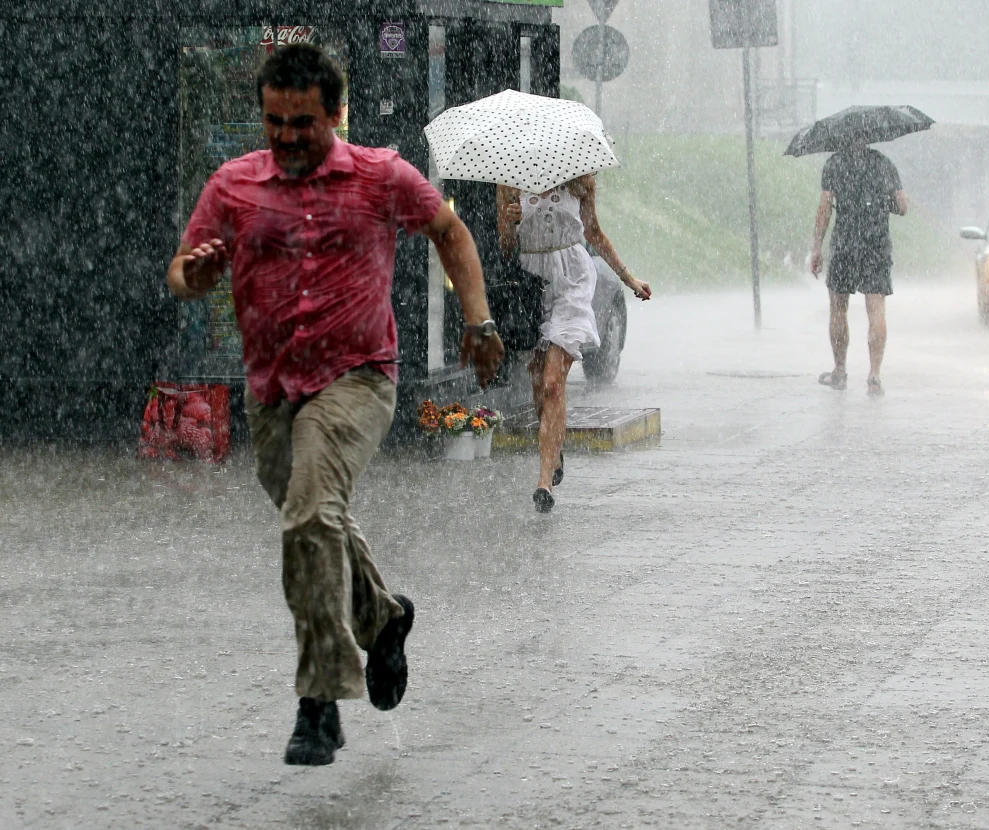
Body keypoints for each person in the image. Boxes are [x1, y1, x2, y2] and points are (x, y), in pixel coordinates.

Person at [165, 44, 504, 766]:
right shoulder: (232, 185)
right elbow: (187, 268)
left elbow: (449, 231)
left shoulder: (380, 175)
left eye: (303, 123)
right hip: (272, 390)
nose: (286, 136)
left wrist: (479, 323)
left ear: (335, 114)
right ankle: (382, 617)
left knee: (312, 515)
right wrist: (193, 273)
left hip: (357, 379)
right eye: (274, 121)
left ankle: (320, 700)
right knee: (311, 519)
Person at [497, 175, 650, 513]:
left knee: (553, 382)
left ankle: (544, 482)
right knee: (539, 381)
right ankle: (554, 446)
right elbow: (506, 246)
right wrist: (510, 224)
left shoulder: (579, 181)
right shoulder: (508, 181)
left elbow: (594, 233)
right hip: (532, 283)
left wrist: (629, 279)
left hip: (573, 281)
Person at [809, 141, 908, 397]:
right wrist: (884, 203)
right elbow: (903, 207)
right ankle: (874, 376)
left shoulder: (834, 164)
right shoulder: (884, 164)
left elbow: (824, 208)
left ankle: (839, 372)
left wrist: (817, 246)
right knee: (876, 311)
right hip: (876, 244)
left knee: (838, 309)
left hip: (845, 243)